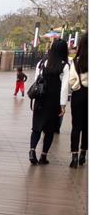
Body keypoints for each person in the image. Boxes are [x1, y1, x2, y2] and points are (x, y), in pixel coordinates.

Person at [29, 37, 70, 165]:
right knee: (50, 130)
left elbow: (37, 81)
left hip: (40, 99)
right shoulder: (64, 66)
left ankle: (32, 150)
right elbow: (64, 87)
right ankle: (43, 156)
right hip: (54, 101)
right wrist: (63, 105)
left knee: (36, 127)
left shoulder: (42, 63)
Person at [69, 33, 88, 168]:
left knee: (76, 126)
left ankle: (74, 156)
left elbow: (71, 80)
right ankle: (83, 154)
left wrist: (76, 86)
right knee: (87, 126)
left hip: (78, 94)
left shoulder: (76, 61)